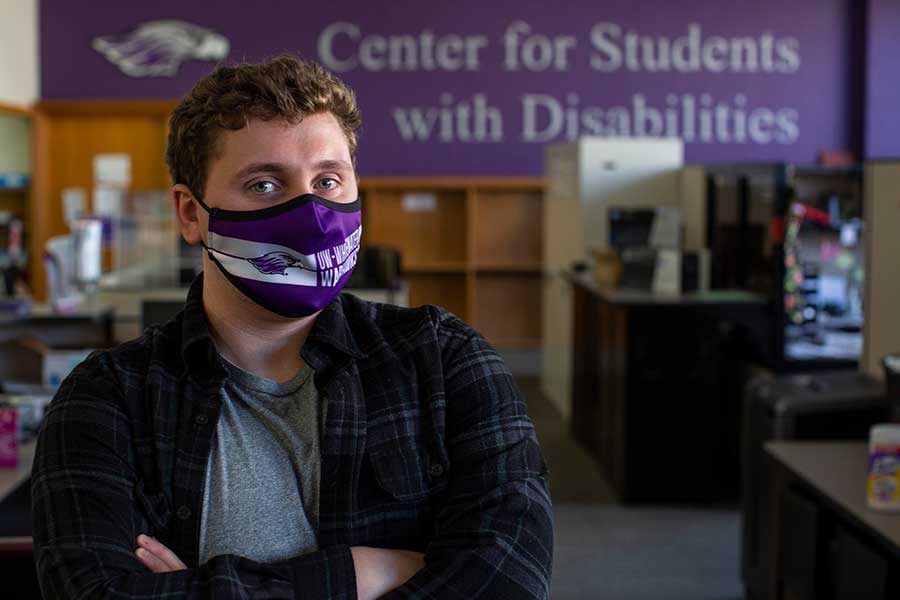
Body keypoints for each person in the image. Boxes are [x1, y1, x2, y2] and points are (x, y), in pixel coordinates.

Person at [31, 55, 553, 599]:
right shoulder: (108, 399)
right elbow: (89, 593)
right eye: (263, 185)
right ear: (190, 213)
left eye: (328, 180)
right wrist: (359, 576)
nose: (310, 212)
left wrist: (198, 590)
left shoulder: (444, 360)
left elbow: (509, 577)